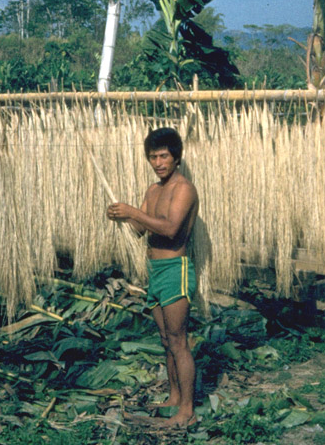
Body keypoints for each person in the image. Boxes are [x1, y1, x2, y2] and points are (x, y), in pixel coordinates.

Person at [107, 127, 200, 428]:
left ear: (176, 157)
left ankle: (187, 411)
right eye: (152, 157)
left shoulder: (183, 189)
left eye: (163, 156)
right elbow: (140, 229)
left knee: (178, 340)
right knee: (165, 340)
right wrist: (121, 217)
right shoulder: (152, 190)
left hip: (175, 270)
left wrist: (132, 210)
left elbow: (170, 228)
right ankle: (174, 397)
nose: (158, 162)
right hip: (155, 271)